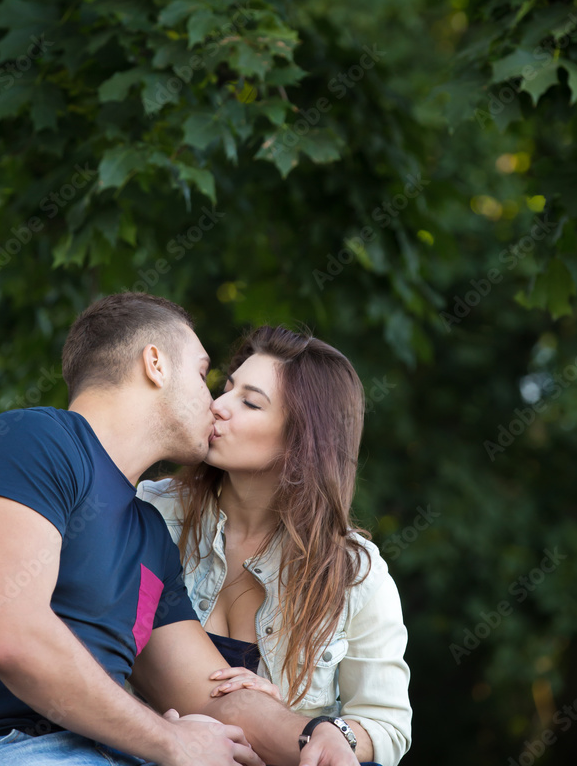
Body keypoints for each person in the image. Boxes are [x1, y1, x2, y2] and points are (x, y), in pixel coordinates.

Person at [0, 293, 362, 766]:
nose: (214, 404)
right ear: (155, 364)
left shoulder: (148, 534)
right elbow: (11, 638)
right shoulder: (34, 442)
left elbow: (211, 695)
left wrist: (316, 736)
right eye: (202, 373)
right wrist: (169, 740)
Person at [137, 326, 412, 766]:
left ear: (301, 441)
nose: (218, 406)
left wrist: (291, 724)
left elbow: (387, 726)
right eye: (225, 388)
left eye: (249, 402)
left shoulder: (354, 574)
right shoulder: (148, 512)